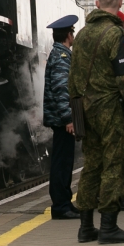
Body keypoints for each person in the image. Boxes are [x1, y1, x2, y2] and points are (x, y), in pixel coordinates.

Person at [70, 0, 124, 244]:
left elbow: (73, 77)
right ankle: (109, 227)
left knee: (91, 165)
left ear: (97, 4)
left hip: (85, 108)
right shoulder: (116, 34)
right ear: (120, 4)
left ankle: (85, 227)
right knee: (114, 163)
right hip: (110, 109)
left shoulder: (80, 35)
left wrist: (76, 109)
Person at [43, 14, 80, 220]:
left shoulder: (60, 53)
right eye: (72, 32)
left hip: (60, 118)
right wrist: (68, 119)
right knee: (62, 163)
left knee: (65, 161)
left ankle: (65, 202)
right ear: (68, 34)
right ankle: (60, 205)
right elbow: (61, 89)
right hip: (61, 120)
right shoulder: (62, 57)